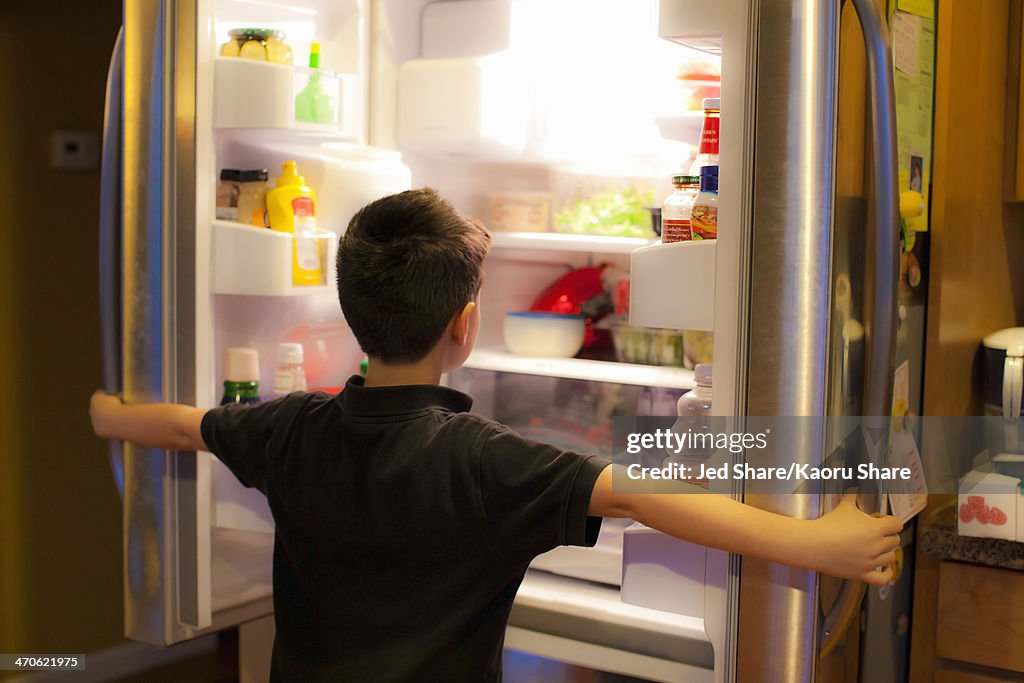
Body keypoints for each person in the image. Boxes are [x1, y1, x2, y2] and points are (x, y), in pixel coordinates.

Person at [90, 188, 901, 682]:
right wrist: (818, 546)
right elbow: (646, 497)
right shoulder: (484, 460)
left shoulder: (290, 428)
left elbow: (185, 425)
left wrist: (106, 413)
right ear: (467, 325)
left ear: (353, 314)